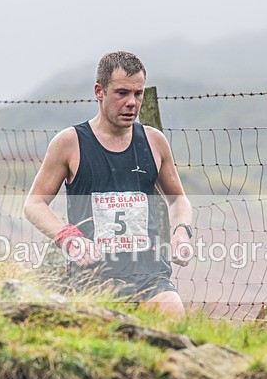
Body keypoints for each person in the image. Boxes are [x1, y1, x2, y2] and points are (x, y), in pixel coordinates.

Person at [24, 51, 193, 317]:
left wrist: (182, 232)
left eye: (138, 94)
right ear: (99, 91)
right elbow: (34, 203)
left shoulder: (154, 141)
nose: (132, 103)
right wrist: (68, 237)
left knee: (176, 326)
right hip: (93, 274)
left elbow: (178, 199)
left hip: (149, 272)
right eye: (122, 93)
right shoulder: (69, 142)